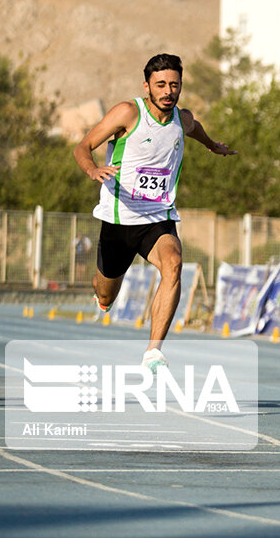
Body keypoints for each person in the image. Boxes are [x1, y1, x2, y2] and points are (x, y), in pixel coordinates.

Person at [73, 53, 236, 372]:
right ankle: (101, 292)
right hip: (119, 219)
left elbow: (195, 128)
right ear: (146, 86)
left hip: (157, 218)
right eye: (160, 84)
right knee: (106, 294)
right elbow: (83, 146)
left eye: (174, 85)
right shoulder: (127, 112)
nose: (167, 91)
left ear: (180, 87)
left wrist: (211, 144)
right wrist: (92, 169)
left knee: (174, 264)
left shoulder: (182, 118)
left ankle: (153, 350)